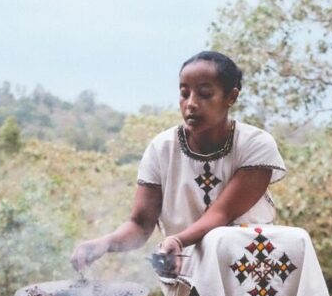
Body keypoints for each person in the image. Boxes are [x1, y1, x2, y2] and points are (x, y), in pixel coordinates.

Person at [72, 51, 284, 277]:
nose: (191, 104)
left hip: (249, 279)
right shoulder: (161, 148)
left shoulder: (256, 145)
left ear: (231, 97)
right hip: (187, 279)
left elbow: (221, 214)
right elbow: (140, 225)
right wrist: (103, 244)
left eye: (204, 94)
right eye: (184, 93)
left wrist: (176, 240)